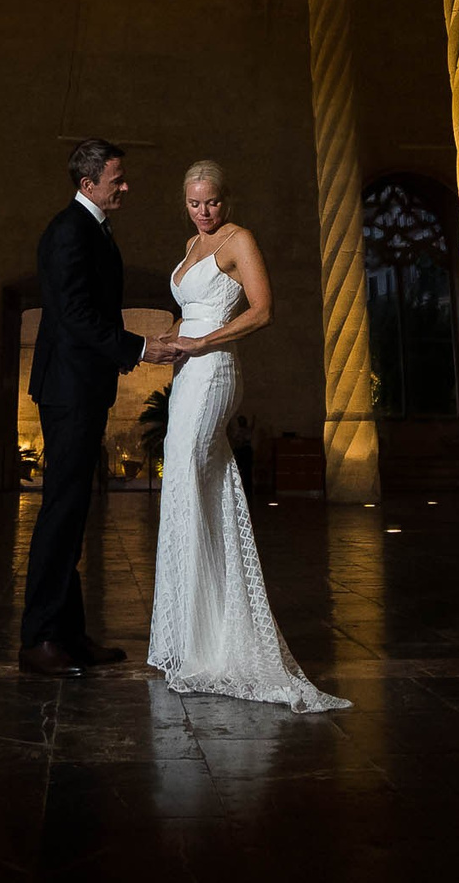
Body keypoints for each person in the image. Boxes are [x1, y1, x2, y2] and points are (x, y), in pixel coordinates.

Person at [147, 160, 349, 712]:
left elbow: (263, 311)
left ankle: (216, 642)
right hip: (188, 370)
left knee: (189, 481)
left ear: (226, 199)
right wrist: (177, 338)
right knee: (195, 488)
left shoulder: (240, 240)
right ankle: (195, 634)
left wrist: (202, 341)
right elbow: (195, 310)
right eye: (193, 202)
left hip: (214, 372)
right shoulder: (193, 243)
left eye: (210, 201)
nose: (203, 211)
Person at [19, 138, 180, 677]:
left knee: (73, 513)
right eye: (117, 179)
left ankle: (68, 635)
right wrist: (139, 347)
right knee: (60, 513)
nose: (126, 186)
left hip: (81, 385)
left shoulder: (90, 229)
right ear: (88, 184)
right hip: (68, 389)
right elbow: (72, 316)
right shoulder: (69, 231)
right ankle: (38, 641)